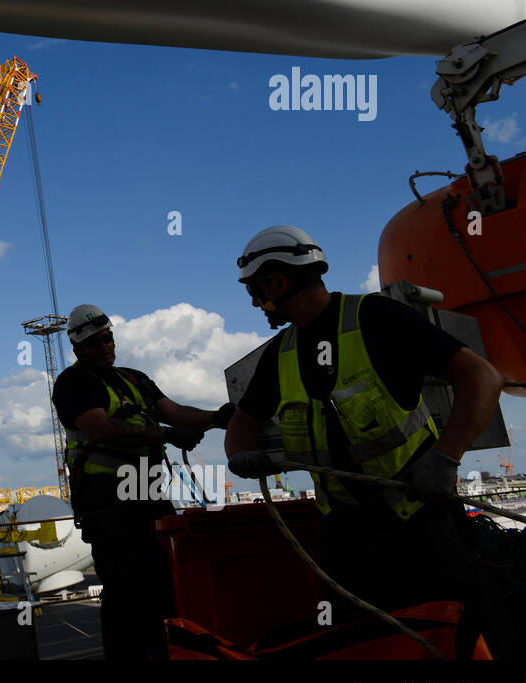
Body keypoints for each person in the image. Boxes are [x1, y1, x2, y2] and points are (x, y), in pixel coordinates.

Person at [224, 225, 516, 658]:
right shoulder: (279, 354)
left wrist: (445, 458)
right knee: (376, 645)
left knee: (467, 636)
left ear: (276, 282)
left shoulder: (378, 320)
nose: (254, 303)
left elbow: (482, 377)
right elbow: (241, 426)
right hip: (348, 540)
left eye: (255, 291)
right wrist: (239, 457)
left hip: (422, 525)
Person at [52, 304, 232, 660]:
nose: (104, 347)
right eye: (94, 343)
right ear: (77, 349)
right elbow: (103, 429)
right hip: (108, 504)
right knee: (125, 596)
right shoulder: (73, 384)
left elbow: (175, 411)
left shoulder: (135, 378)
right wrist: (168, 434)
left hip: (148, 494)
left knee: (165, 588)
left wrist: (219, 416)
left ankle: (166, 654)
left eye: (108, 338)